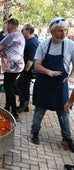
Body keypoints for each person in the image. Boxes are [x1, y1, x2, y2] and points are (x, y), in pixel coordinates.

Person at [30, 17, 74, 153]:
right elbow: (37, 65)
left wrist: (72, 76)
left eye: (65, 30)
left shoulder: (70, 45)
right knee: (40, 109)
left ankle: (66, 138)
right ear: (52, 31)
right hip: (44, 82)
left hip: (61, 84)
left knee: (64, 111)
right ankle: (34, 132)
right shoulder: (43, 45)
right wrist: (48, 71)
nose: (63, 33)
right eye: (60, 31)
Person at [0, 18, 25, 120]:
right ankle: (8, 106)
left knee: (9, 88)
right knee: (10, 86)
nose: (6, 27)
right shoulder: (20, 34)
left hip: (12, 67)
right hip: (16, 65)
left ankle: (14, 112)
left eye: (7, 25)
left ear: (11, 25)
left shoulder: (12, 35)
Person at [16, 24, 39, 113]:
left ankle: (24, 102)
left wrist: (25, 71)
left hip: (28, 69)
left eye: (23, 30)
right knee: (24, 86)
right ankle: (25, 105)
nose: (22, 31)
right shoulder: (29, 40)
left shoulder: (32, 42)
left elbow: (30, 59)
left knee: (19, 85)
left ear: (29, 31)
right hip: (25, 68)